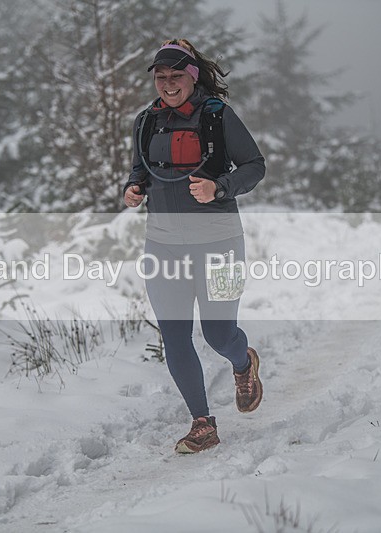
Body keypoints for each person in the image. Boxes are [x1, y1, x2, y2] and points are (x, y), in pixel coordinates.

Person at [123, 39, 266, 454]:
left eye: (175, 76)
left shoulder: (219, 117)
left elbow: (255, 166)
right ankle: (202, 423)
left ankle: (243, 362)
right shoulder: (145, 121)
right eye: (160, 77)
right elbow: (141, 168)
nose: (167, 84)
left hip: (220, 243)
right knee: (176, 336)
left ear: (192, 76)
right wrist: (134, 188)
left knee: (219, 334)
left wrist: (219, 187)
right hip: (163, 246)